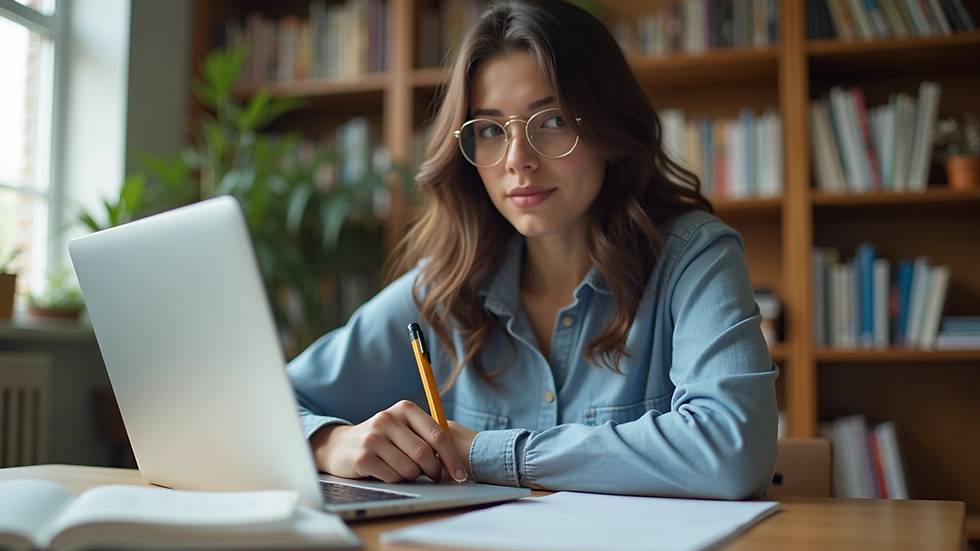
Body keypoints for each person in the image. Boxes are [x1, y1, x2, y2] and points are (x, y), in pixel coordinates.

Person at [287, 0, 778, 499]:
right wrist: (329, 441)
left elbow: (732, 451)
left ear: (611, 125)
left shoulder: (693, 257)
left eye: (553, 120)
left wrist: (482, 452)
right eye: (490, 130)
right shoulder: (443, 289)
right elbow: (261, 403)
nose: (518, 160)